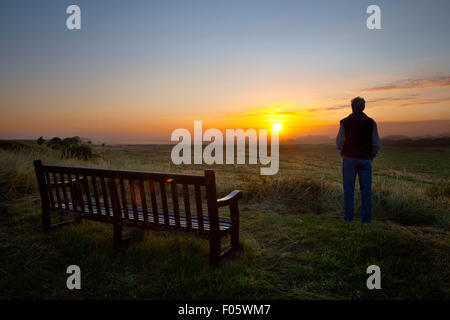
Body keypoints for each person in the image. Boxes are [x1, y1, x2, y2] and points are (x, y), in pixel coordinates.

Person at [336, 97, 381, 223]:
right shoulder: (371, 122)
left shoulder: (345, 122)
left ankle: (348, 218)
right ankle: (366, 220)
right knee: (366, 191)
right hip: (365, 159)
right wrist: (371, 156)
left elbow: (339, 141)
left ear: (352, 107)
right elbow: (376, 143)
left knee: (348, 189)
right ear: (363, 107)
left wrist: (343, 153)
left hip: (349, 159)